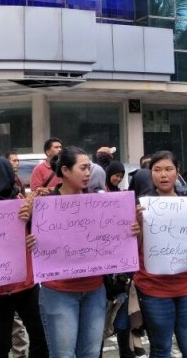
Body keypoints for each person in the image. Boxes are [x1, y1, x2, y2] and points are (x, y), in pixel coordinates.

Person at [31, 146, 122, 358]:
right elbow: (30, 244)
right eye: (83, 168)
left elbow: (111, 237)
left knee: (90, 353)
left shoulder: (98, 202)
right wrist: (29, 238)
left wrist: (130, 228)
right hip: (58, 291)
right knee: (63, 354)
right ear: (65, 170)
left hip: (94, 290)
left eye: (89, 168)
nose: (88, 173)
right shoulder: (43, 205)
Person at [0, 157, 47, 358]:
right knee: (25, 337)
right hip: (14, 284)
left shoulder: (20, 203)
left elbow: (39, 234)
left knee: (2, 342)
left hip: (9, 284)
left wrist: (33, 217)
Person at [134, 151, 187, 358]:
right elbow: (133, 249)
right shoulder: (141, 206)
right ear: (150, 174)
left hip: (186, 285)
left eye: (168, 169)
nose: (163, 175)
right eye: (157, 170)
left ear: (177, 172)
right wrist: (139, 226)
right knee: (161, 349)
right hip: (153, 288)